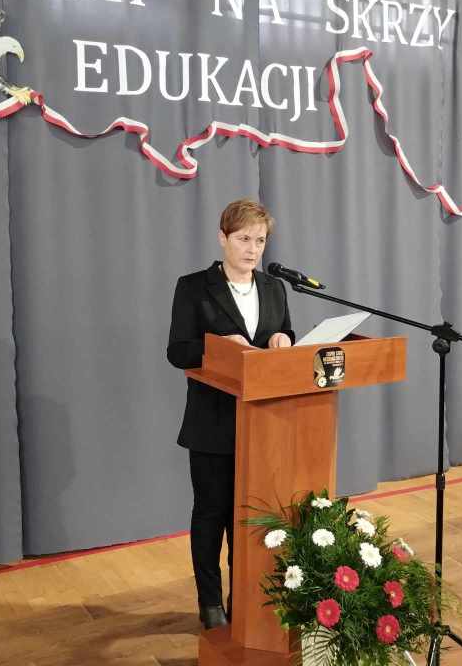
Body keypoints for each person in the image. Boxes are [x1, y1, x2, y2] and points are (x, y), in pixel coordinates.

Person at [167, 199, 294, 630]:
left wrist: (282, 339)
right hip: (212, 424)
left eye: (260, 240)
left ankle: (243, 598)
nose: (252, 249)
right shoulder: (194, 287)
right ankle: (209, 603)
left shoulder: (275, 288)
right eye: (243, 239)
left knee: (250, 519)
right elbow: (178, 351)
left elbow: (285, 332)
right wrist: (221, 346)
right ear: (222, 238)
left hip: (263, 426)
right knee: (211, 515)